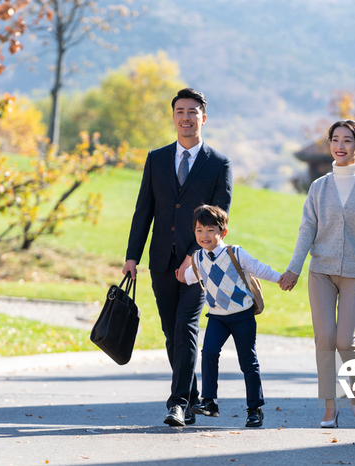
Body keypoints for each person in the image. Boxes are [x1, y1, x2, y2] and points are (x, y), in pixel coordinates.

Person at [122, 88, 232, 427]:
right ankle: (193, 395)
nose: (186, 117)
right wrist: (131, 256)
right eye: (180, 111)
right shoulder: (156, 159)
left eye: (193, 112)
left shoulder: (218, 164)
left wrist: (194, 254)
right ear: (173, 117)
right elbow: (144, 210)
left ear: (203, 117)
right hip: (160, 261)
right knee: (172, 334)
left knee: (186, 329)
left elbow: (219, 216)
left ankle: (178, 404)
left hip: (200, 265)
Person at [278, 119, 355, 428]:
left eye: (347, 140)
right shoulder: (319, 187)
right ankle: (329, 408)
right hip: (321, 272)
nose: (339, 146)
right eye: (335, 140)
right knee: (325, 339)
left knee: (346, 340)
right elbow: (307, 230)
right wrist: (294, 268)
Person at [177, 205, 281, 428]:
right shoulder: (198, 259)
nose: (204, 235)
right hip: (217, 318)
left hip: (242, 316)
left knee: (247, 361)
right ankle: (210, 402)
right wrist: (179, 276)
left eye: (210, 230)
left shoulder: (235, 253)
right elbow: (188, 277)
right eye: (199, 230)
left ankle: (255, 409)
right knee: (209, 353)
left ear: (223, 232)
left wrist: (281, 278)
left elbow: (259, 269)